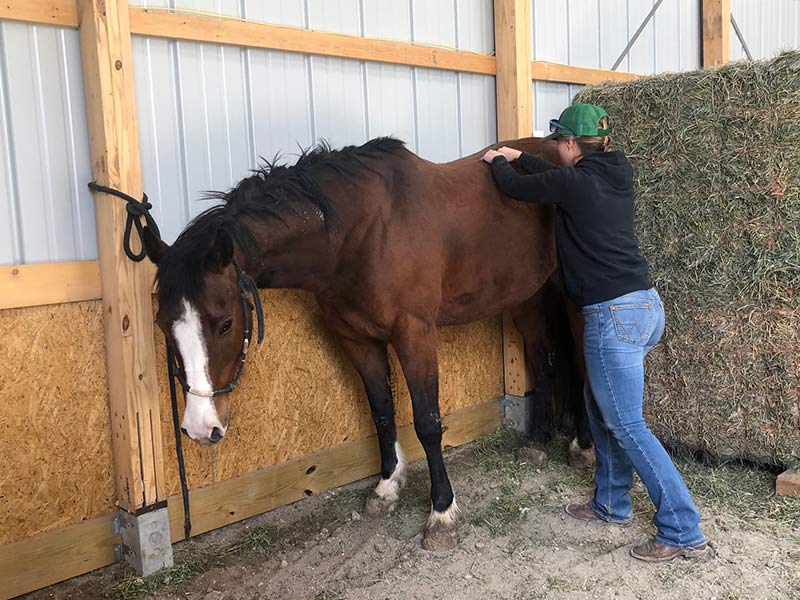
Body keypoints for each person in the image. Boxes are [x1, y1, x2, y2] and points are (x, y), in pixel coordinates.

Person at [481, 103, 707, 562]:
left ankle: (682, 528)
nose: (556, 152)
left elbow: (516, 186)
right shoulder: (617, 172)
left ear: (568, 145)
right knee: (598, 405)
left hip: (613, 316)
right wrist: (519, 153)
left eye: (558, 145)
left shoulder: (571, 183)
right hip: (646, 306)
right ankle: (611, 502)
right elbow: (547, 173)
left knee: (628, 425)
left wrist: (498, 160)